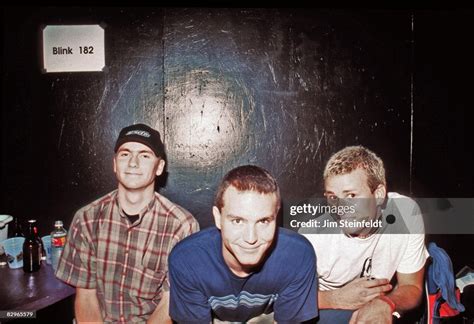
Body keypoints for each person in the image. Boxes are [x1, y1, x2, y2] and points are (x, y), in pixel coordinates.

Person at [55, 123, 199, 323]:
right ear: (114, 164)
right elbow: (86, 297)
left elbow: (170, 303)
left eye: (144, 155)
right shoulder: (87, 219)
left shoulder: (182, 226)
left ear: (159, 167)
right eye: (125, 154)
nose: (133, 163)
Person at [169, 165, 318, 323]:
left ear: (276, 217)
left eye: (263, 221)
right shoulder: (187, 259)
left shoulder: (297, 255)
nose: (251, 238)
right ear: (218, 218)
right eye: (238, 221)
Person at [300, 145, 429, 323]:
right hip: (322, 311)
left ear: (379, 194)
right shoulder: (312, 237)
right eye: (332, 197)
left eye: (351, 195)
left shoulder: (406, 212)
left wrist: (386, 303)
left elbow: (411, 286)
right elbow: (281, 300)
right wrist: (334, 298)